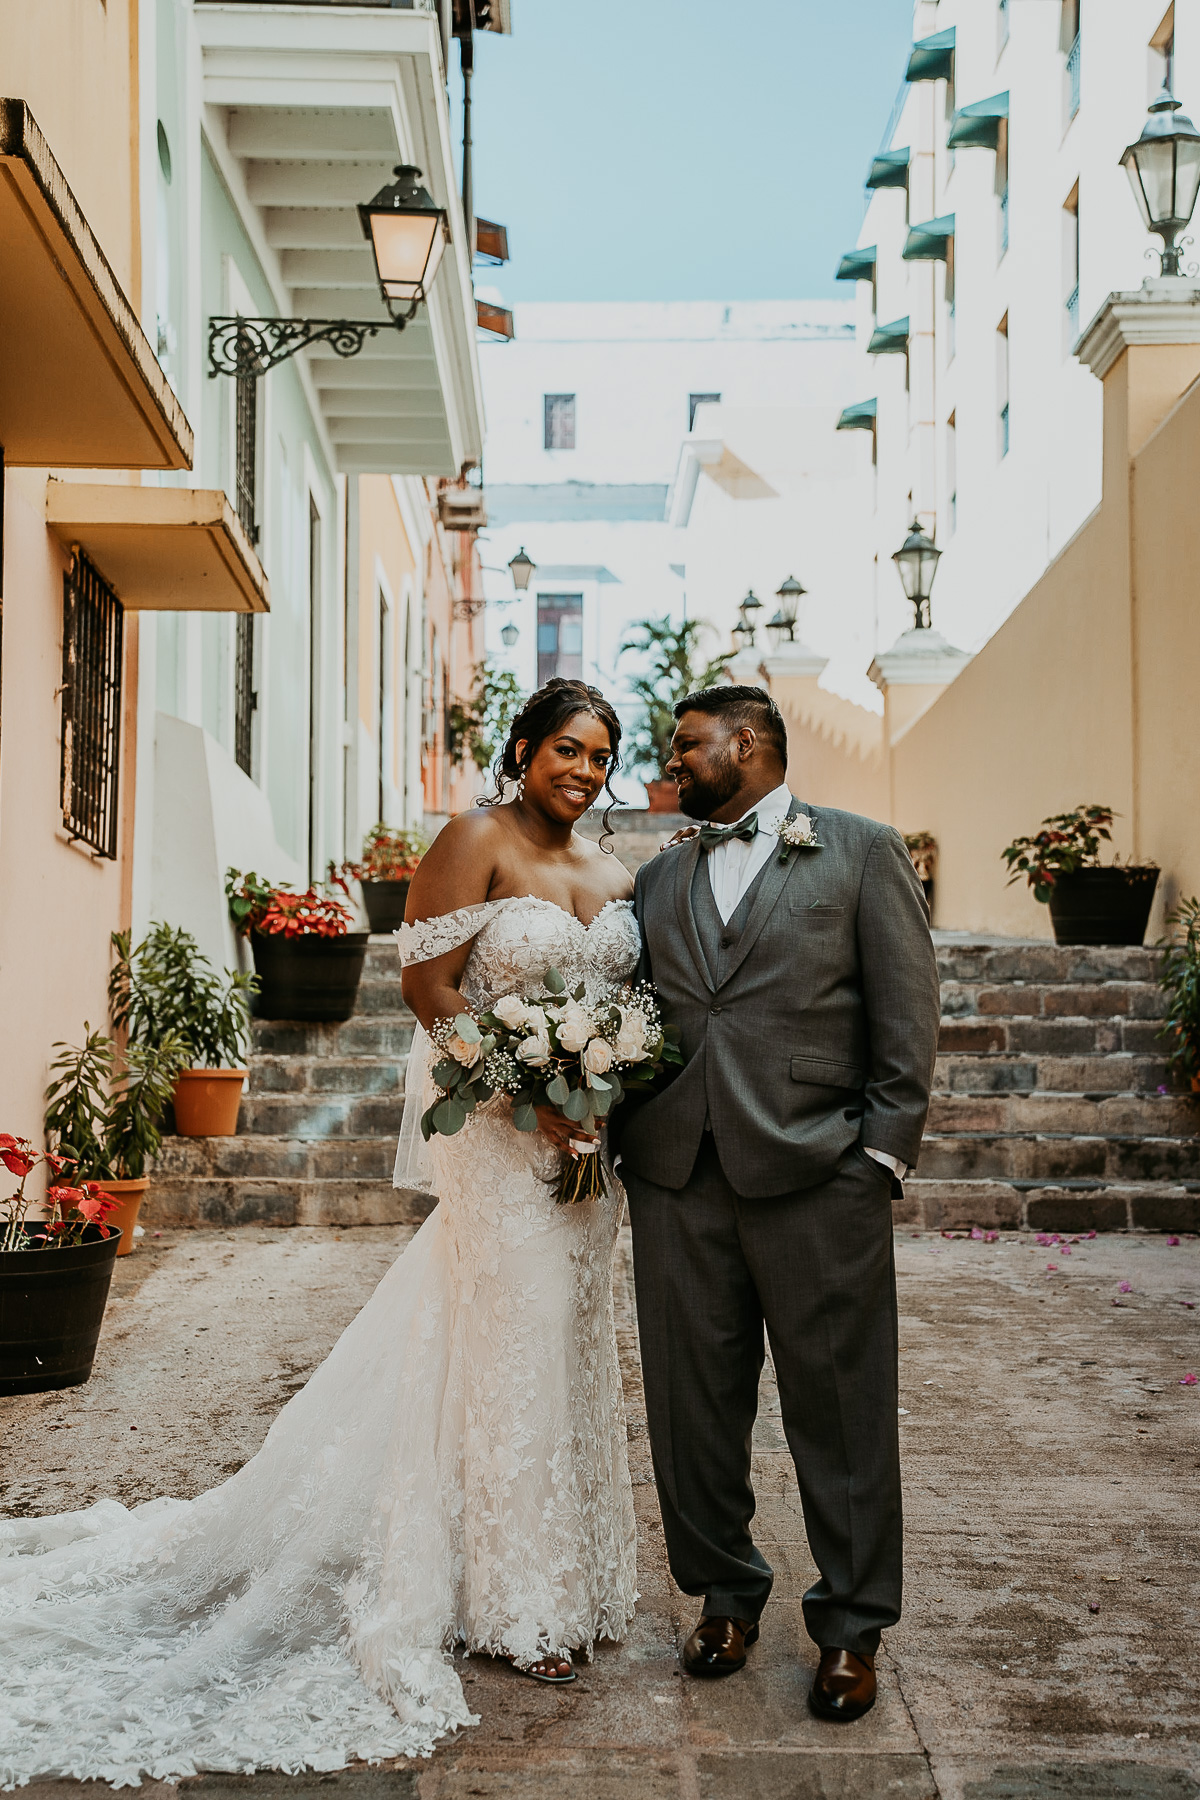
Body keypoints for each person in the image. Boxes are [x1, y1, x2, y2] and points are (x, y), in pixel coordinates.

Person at [0, 678, 638, 1786]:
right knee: (514, 1341)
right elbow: (428, 985)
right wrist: (522, 1089)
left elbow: (633, 1002)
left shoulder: (613, 867)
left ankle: (559, 1575)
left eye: (601, 755)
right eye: (566, 751)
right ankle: (516, 1604)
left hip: (587, 1145)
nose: (583, 771)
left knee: (568, 1343)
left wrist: (601, 1083)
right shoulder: (476, 837)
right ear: (524, 749)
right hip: (497, 1133)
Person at [620, 684, 940, 1722]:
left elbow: (906, 1012)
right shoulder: (659, 879)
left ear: (746, 744)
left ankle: (850, 1627)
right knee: (690, 1404)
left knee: (840, 1410)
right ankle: (725, 1594)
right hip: (678, 1177)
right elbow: (640, 1017)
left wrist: (880, 1159)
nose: (671, 766)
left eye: (686, 747)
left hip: (820, 1178)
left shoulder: (859, 851)